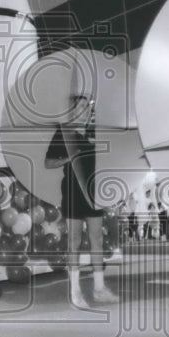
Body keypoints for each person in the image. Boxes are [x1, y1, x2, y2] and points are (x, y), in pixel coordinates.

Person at [45, 93, 119, 309]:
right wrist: (70, 157)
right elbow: (49, 162)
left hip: (93, 192)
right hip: (72, 191)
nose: (85, 110)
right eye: (81, 106)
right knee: (74, 240)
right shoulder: (63, 133)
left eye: (88, 107)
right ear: (73, 110)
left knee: (97, 238)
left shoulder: (94, 131)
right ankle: (75, 291)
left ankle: (99, 289)